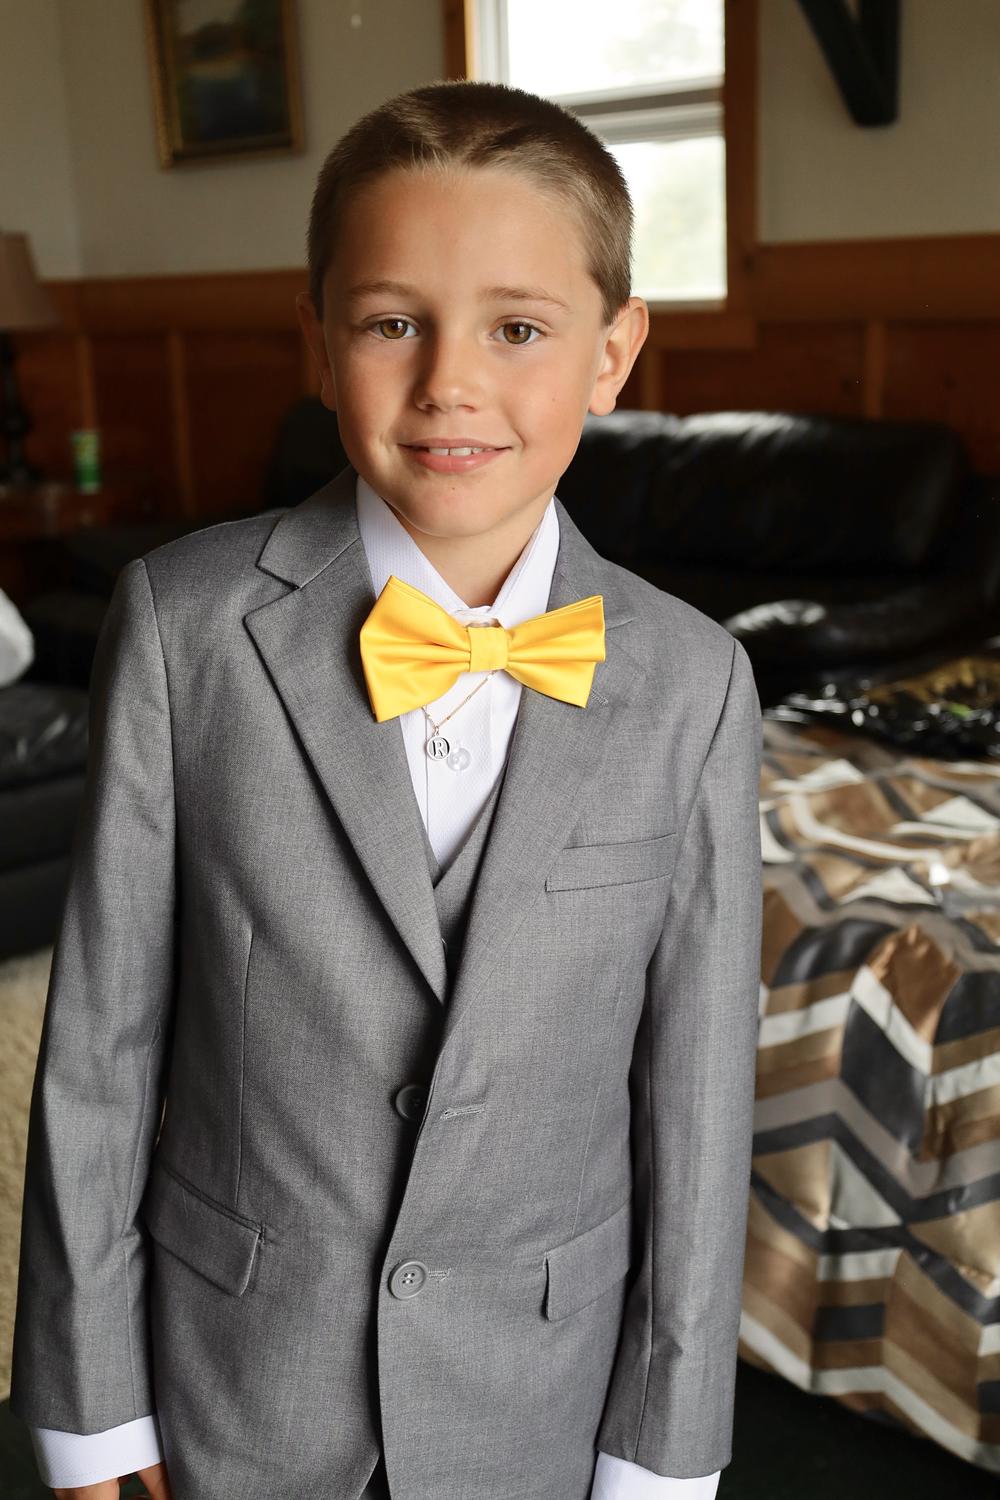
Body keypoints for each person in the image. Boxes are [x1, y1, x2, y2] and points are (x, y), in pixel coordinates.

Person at [9, 79, 763, 1500]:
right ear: (318, 341)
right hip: (239, 1380)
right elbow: (101, 1047)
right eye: (391, 323)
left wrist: (665, 1451)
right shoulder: (182, 627)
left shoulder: (696, 682)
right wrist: (90, 1404)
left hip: (535, 1397)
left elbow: (698, 1097)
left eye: (518, 329)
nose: (449, 383)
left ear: (614, 354)